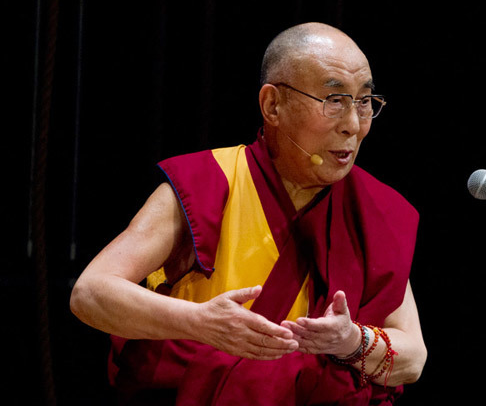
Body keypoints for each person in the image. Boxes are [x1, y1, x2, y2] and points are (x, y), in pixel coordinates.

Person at [70, 22, 427, 405]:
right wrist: (202, 323)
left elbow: (413, 359)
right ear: (273, 105)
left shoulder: (371, 211)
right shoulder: (210, 184)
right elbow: (91, 293)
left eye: (364, 101)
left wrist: (351, 341)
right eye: (334, 100)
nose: (354, 125)